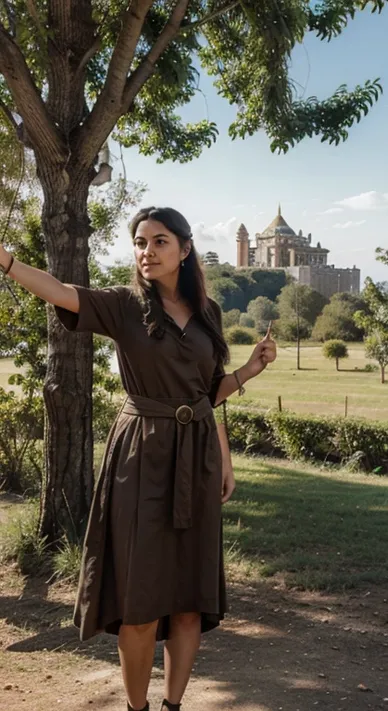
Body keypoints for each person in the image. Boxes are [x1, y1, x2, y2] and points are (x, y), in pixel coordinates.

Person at [0, 206, 277, 711]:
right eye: (140, 242)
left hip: (198, 460)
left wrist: (248, 377)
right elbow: (60, 291)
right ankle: (137, 708)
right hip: (142, 456)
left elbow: (207, 393)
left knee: (190, 602)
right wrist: (8, 262)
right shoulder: (124, 306)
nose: (146, 251)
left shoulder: (209, 314)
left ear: (185, 250)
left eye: (159, 241)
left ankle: (172, 705)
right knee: (142, 603)